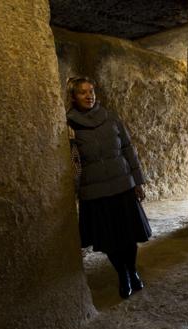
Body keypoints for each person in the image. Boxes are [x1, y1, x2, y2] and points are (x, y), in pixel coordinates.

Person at [66, 77, 152, 299]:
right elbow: (70, 160)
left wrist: (138, 181)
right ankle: (122, 274)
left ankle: (132, 271)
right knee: (109, 239)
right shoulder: (68, 125)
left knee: (129, 234)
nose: (89, 96)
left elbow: (127, 148)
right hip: (95, 192)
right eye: (83, 92)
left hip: (122, 184)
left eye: (91, 91)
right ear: (73, 97)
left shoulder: (111, 118)